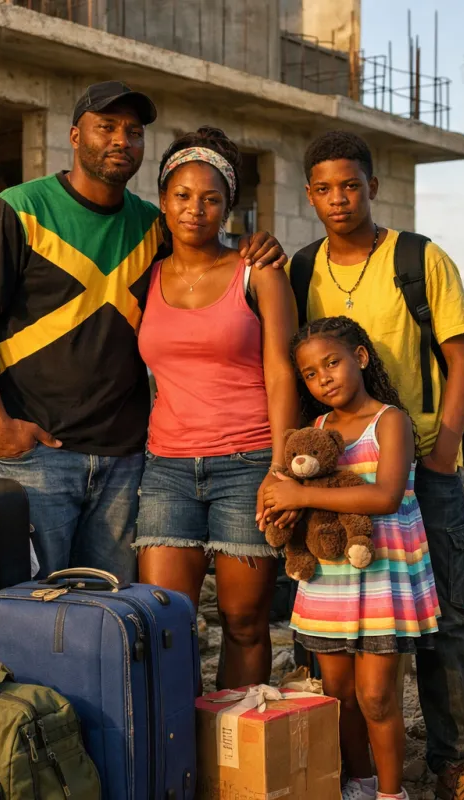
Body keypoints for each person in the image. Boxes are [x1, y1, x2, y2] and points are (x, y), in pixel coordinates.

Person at [0, 81, 286, 582]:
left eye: (133, 132)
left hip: (127, 463)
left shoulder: (155, 226)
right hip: (39, 453)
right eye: (106, 126)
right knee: (24, 608)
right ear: (74, 134)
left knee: (109, 622)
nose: (121, 140)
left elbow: (208, 252)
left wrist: (259, 245)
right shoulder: (20, 210)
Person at [295, 131, 464, 799]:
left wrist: (443, 446)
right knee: (337, 617)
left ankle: (457, 759)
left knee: (445, 613)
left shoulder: (417, 258)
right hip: (340, 474)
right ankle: (355, 765)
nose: (338, 199)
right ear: (309, 196)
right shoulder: (304, 269)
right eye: (324, 189)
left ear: (373, 187)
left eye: (350, 185)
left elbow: (461, 357)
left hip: (421, 471)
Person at [134, 127, 299, 689]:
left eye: (210, 198)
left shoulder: (261, 272)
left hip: (247, 464)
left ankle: (235, 756)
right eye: (182, 196)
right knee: (163, 623)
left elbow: (281, 371)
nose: (195, 209)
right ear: (163, 201)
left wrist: (280, 468)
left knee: (245, 622)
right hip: (166, 470)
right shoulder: (146, 275)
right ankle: (178, 755)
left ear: (229, 207)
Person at [260, 316, 440, 800]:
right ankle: (359, 784)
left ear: (360, 357)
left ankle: (390, 793)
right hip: (327, 585)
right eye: (311, 374)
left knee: (377, 697)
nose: (324, 378)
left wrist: (298, 494)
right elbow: (299, 502)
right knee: (338, 695)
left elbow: (384, 497)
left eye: (333, 363)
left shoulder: (391, 422)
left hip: (383, 579)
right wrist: (285, 516)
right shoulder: (313, 432)